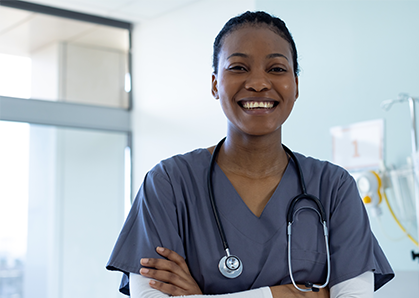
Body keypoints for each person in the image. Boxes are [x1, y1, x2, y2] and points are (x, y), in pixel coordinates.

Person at [106, 11, 394, 298]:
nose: (258, 82)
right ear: (215, 84)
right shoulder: (169, 183)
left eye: (277, 69)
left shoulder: (334, 188)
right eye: (239, 68)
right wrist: (281, 294)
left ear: (295, 86)